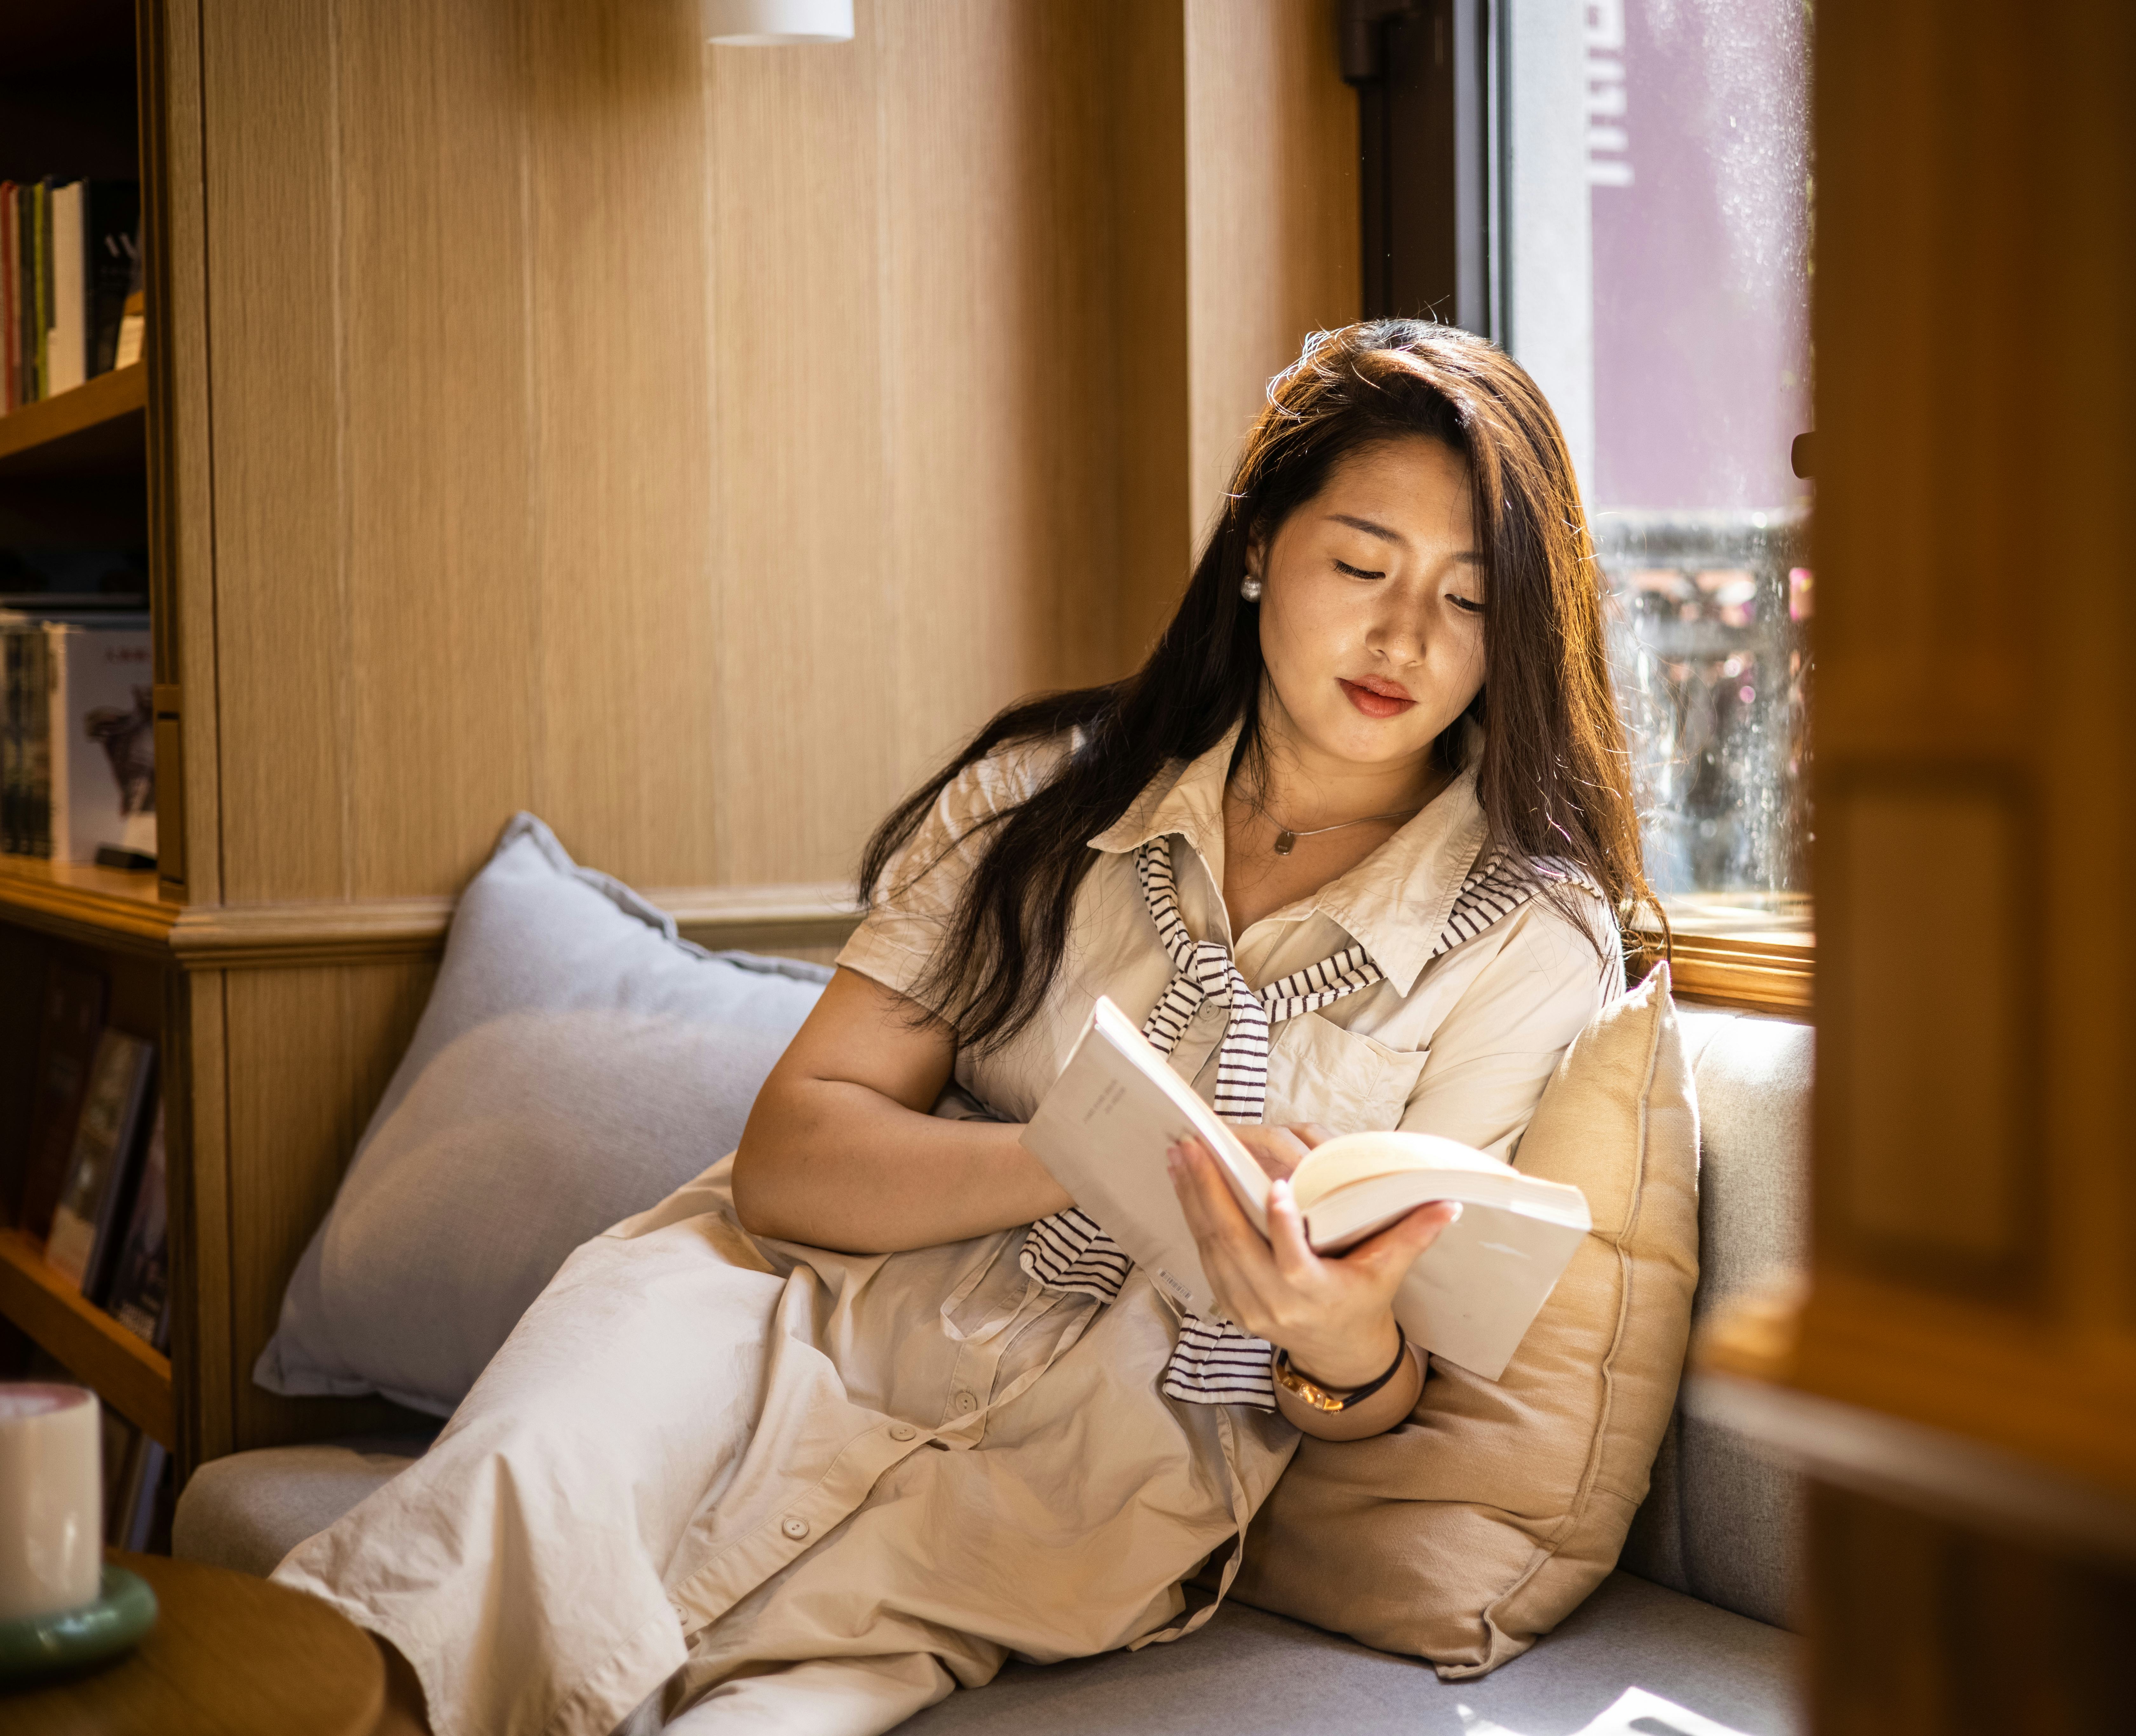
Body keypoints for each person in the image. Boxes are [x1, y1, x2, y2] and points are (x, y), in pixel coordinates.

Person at [278, 319, 1653, 1736]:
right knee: (416, 1619)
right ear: (1256, 551)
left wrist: (1335, 1333)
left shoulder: (1524, 941)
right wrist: (1098, 1155)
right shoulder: (1034, 798)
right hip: (767, 1315)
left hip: (1080, 1479)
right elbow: (791, 1157)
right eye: (1361, 566)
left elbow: (1375, 1382)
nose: (1404, 638)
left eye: (1470, 601)